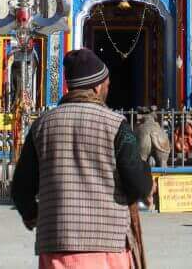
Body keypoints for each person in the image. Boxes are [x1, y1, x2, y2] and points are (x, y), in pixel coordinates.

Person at [11, 49, 153, 269]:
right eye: (106, 84)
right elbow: (136, 182)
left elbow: (21, 188)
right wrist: (146, 181)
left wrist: (33, 215)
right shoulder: (116, 125)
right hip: (107, 245)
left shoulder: (42, 125)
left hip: (56, 244)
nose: (108, 88)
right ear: (97, 87)